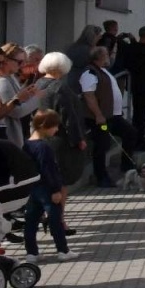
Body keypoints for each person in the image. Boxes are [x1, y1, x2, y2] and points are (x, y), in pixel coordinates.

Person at [80, 46, 139, 187]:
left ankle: (127, 165)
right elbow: (89, 96)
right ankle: (101, 177)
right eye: (107, 54)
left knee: (130, 133)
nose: (110, 56)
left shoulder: (103, 70)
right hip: (100, 118)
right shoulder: (89, 73)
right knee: (102, 144)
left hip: (113, 116)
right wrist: (98, 115)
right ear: (99, 57)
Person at [21, 111, 74, 262]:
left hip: (32, 189)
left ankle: (32, 253)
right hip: (47, 189)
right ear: (45, 126)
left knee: (30, 221)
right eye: (54, 126)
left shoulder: (26, 145)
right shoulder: (44, 147)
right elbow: (49, 170)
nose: (56, 130)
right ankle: (63, 250)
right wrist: (56, 190)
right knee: (55, 220)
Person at [33, 52, 88, 192]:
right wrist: (78, 139)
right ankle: (58, 213)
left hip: (38, 135)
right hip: (59, 138)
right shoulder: (60, 87)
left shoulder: (37, 84)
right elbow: (68, 116)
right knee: (60, 179)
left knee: (43, 177)